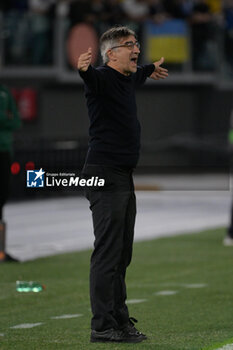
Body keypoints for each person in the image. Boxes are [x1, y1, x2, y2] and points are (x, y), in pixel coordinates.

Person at [77, 25, 168, 343]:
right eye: (130, 45)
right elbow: (91, 78)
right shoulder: (101, 78)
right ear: (111, 53)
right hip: (104, 173)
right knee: (108, 252)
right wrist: (84, 70)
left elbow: (140, 70)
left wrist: (152, 68)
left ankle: (118, 320)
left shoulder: (129, 76)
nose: (137, 49)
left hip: (121, 174)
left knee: (121, 253)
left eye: (137, 44)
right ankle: (102, 325)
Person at [0, 84, 21, 262]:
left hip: (4, 150)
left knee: (2, 197)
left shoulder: (5, 92)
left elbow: (15, 120)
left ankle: (1, 250)